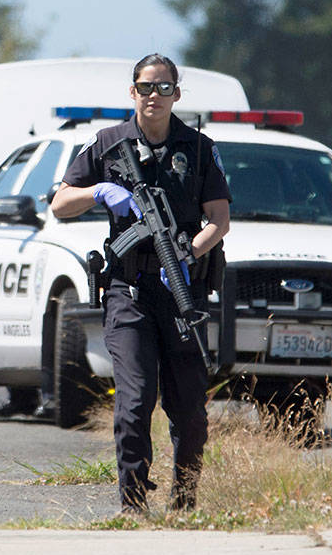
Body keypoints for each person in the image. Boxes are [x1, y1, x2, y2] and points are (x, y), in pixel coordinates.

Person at [50, 54, 231, 514]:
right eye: (146, 87)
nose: (155, 96)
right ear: (132, 92)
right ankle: (132, 504)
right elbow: (60, 203)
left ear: (177, 94)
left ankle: (184, 501)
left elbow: (219, 219)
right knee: (134, 401)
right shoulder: (107, 143)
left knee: (189, 409)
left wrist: (189, 253)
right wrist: (98, 192)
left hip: (182, 290)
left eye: (164, 87)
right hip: (128, 290)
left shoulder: (198, 148)